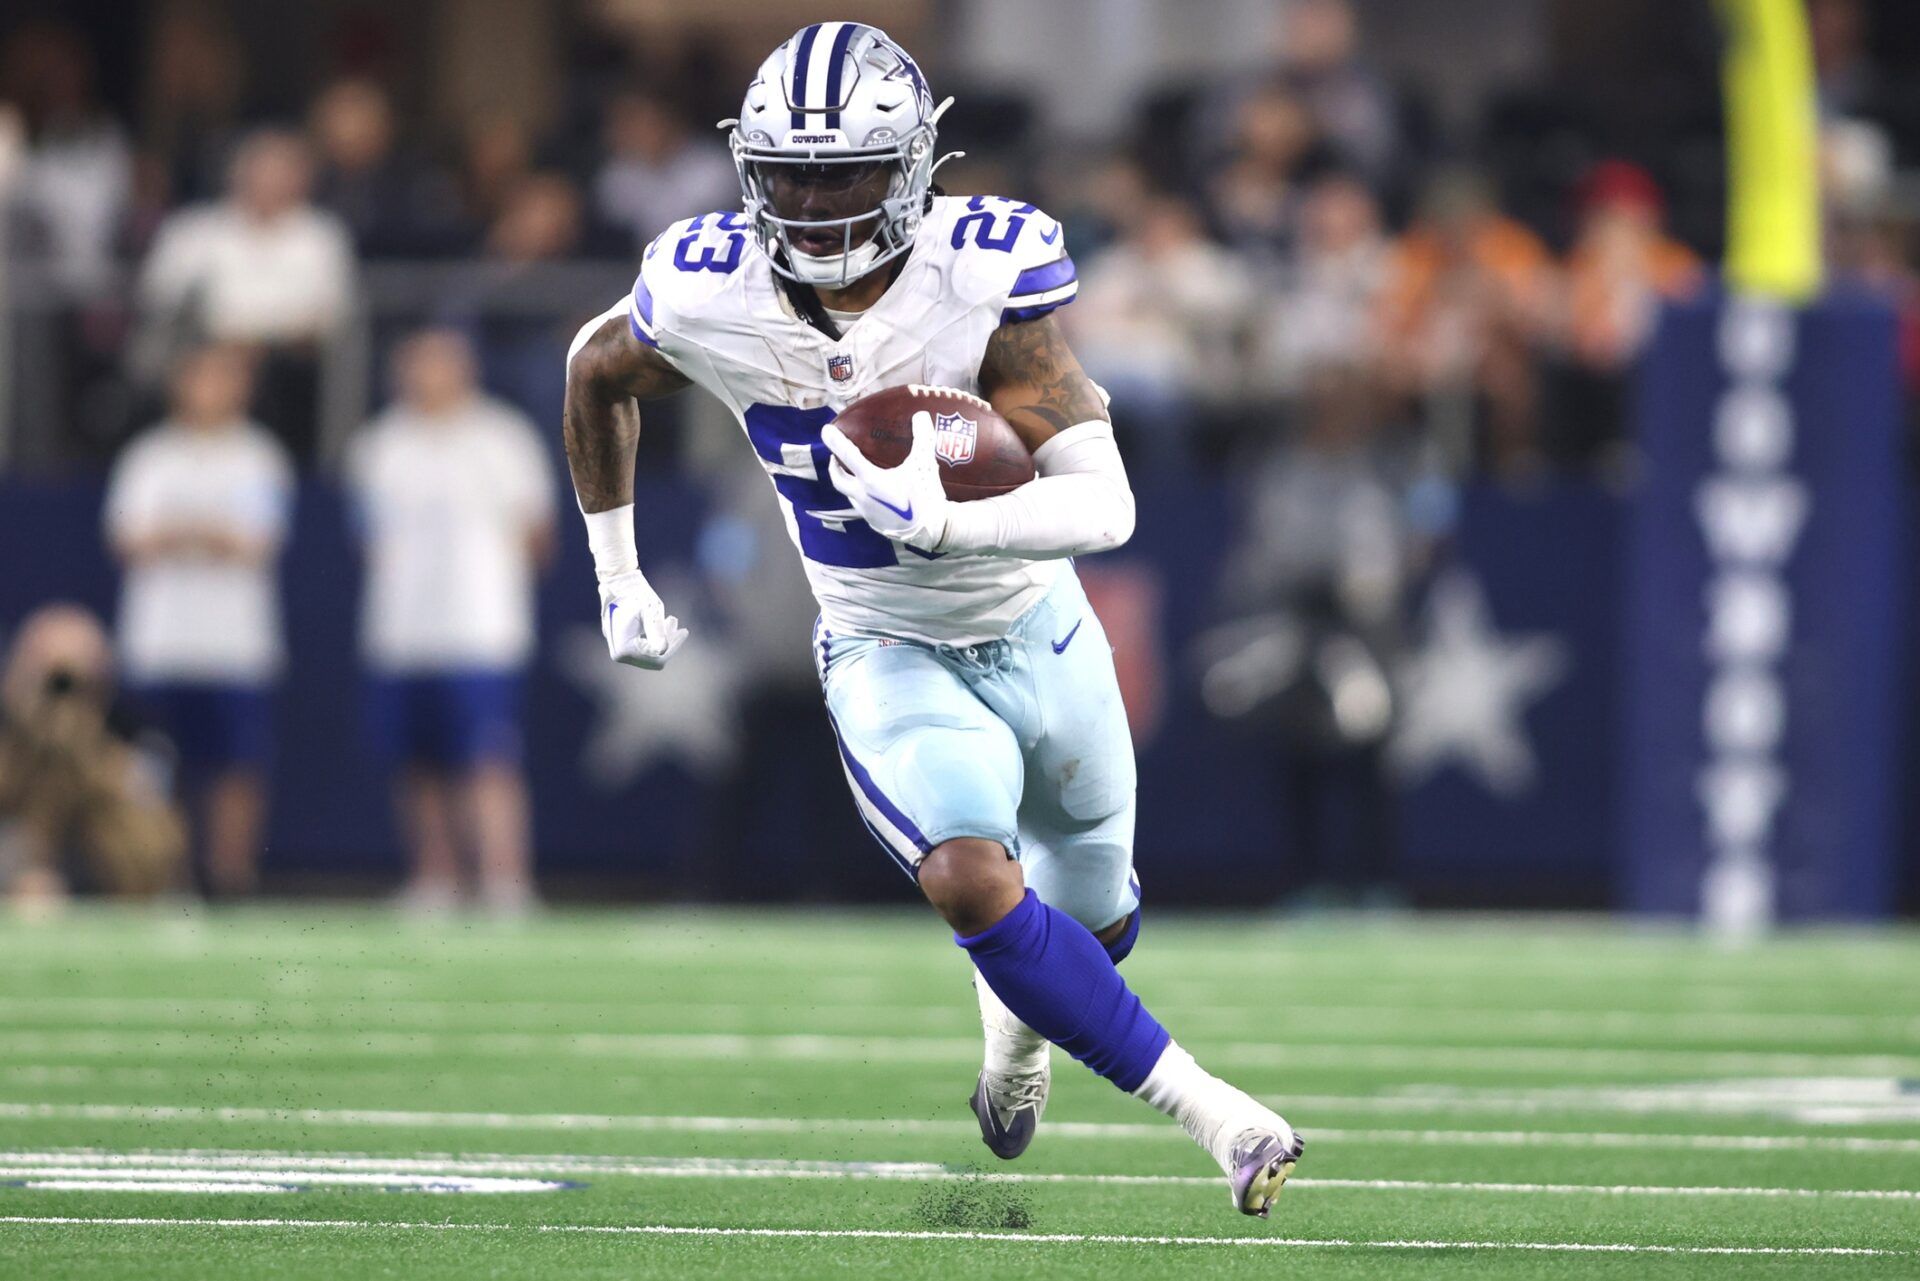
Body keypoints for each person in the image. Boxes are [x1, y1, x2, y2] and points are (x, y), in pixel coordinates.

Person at [562, 24, 1302, 1217]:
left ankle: (1013, 1046)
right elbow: (595, 369)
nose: (811, 202)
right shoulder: (711, 283)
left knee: (1094, 921)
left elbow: (1105, 503)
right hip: (883, 642)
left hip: (1037, 627)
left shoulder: (986, 275)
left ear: (912, 164)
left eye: (844, 171)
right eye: (790, 173)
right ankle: (1216, 1113)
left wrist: (949, 526)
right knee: (970, 879)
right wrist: (617, 571)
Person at [348, 329, 555, 916]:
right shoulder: (379, 445)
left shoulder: (503, 438)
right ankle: (435, 878)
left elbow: (538, 536)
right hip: (401, 633)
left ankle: (504, 879)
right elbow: (367, 539)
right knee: (416, 764)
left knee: (489, 760)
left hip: (482, 633)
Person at [104, 343, 294, 896]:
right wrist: (206, 533)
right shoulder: (150, 457)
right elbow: (130, 540)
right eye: (200, 377)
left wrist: (179, 533)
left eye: (223, 378)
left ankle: (230, 877)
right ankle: (162, 874)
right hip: (160, 642)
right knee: (156, 768)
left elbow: (254, 543)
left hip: (236, 645)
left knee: (237, 767)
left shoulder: (258, 456)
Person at [0, 604, 186, 910]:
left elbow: (157, 853)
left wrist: (87, 754)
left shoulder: (133, 740)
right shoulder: (10, 742)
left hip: (103, 889)